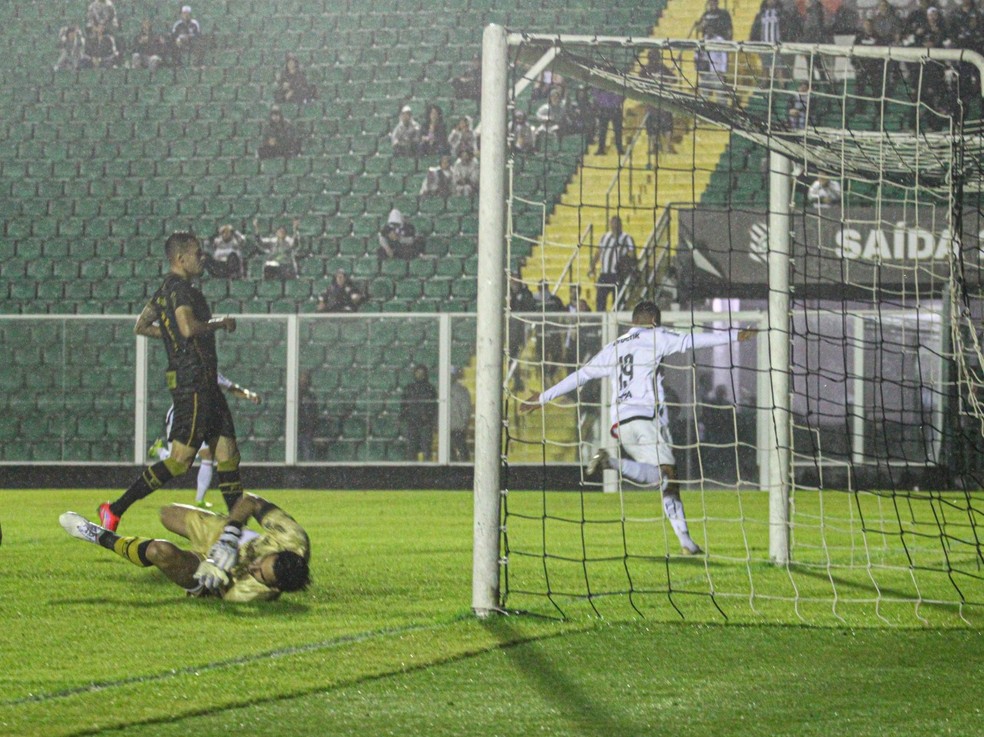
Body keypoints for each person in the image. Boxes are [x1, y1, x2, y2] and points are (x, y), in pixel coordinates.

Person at [519, 300, 756, 555]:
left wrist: (543, 397)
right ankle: (615, 468)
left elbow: (582, 375)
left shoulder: (614, 346)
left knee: (660, 476)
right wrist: (735, 336)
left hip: (620, 424)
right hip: (644, 419)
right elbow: (692, 340)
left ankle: (686, 542)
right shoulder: (657, 336)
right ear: (654, 320)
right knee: (668, 476)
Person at [96, 232, 245, 533]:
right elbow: (188, 329)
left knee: (227, 453)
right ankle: (113, 510)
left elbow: (142, 326)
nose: (202, 258)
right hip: (192, 383)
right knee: (180, 461)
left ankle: (238, 531)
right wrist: (220, 323)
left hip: (204, 381)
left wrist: (172, 334)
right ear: (181, 259)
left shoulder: (165, 290)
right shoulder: (180, 291)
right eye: (198, 253)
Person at [61, 492, 310, 601]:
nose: (254, 567)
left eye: (259, 574)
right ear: (282, 551)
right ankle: (223, 532)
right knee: (167, 514)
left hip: (210, 572)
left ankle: (97, 535)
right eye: (261, 562)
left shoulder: (253, 594)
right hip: (227, 537)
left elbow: (219, 593)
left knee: (160, 552)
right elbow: (251, 501)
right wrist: (230, 536)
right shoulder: (292, 536)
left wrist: (215, 572)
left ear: (274, 587)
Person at [148, 373, 262, 508]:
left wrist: (250, 395)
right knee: (179, 463)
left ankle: (199, 499)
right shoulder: (189, 369)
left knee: (207, 455)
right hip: (181, 418)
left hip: (201, 419)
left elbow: (231, 387)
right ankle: (160, 451)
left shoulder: (212, 373)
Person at [590, 215, 636, 313]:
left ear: (620, 225)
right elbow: (598, 252)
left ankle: (616, 322)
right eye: (613, 223)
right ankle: (601, 323)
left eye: (616, 224)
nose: (614, 226)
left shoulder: (627, 238)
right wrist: (592, 266)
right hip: (604, 274)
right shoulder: (605, 237)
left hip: (617, 274)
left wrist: (628, 266)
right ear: (610, 224)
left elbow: (632, 254)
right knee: (600, 299)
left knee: (618, 301)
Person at [401, 365, 437, 462]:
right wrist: (402, 417)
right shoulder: (409, 388)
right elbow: (403, 405)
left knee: (426, 450)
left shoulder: (430, 389)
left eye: (422, 373)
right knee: (411, 451)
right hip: (412, 423)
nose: (419, 375)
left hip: (425, 425)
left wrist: (429, 418)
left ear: (425, 374)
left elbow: (433, 407)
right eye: (418, 372)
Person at [297, 369, 321, 461]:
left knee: (308, 455)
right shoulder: (293, 396)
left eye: (306, 379)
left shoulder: (311, 397)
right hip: (296, 431)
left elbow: (315, 414)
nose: (304, 381)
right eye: (302, 379)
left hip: (307, 433)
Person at [592, 88, 625, 156]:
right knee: (602, 131)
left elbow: (624, 93)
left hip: (615, 108)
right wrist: (600, 101)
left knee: (618, 131)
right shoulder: (600, 82)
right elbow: (595, 92)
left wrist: (618, 101)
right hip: (604, 109)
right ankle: (601, 149)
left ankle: (619, 149)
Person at [449, 366, 472, 462]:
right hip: (448, 427)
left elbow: (466, 409)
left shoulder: (462, 391)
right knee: (449, 452)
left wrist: (464, 423)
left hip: (458, 426)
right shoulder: (441, 390)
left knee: (461, 449)